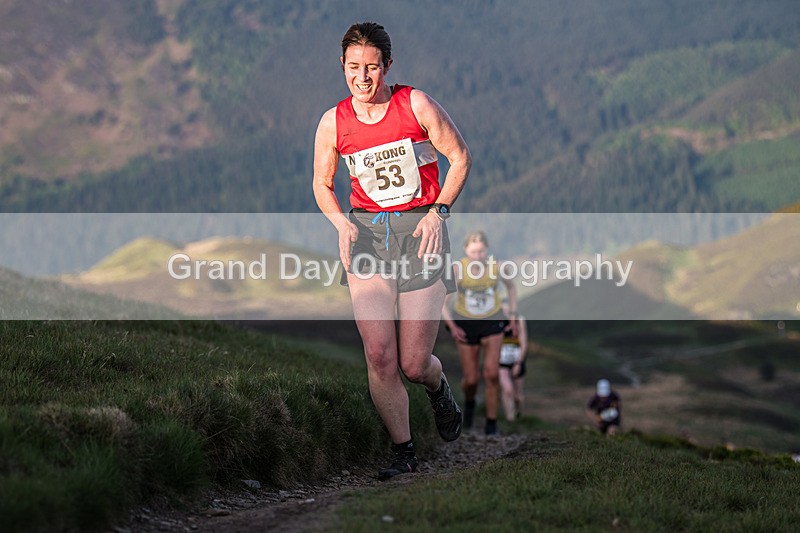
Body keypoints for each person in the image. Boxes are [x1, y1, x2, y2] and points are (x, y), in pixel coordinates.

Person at [312, 22, 472, 480]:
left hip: (421, 231)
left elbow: (459, 158)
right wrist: (341, 223)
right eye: (353, 67)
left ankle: (438, 387)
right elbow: (322, 185)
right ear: (341, 66)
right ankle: (403, 452)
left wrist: (438, 213)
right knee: (380, 355)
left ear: (387, 66)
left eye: (372, 67)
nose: (363, 77)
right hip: (366, 236)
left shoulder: (414, 103)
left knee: (413, 363)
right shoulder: (333, 122)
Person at [442, 231, 518, 435]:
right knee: (471, 379)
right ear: (466, 250)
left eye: (481, 251)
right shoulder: (459, 269)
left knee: (492, 374)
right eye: (473, 251)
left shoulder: (497, 267)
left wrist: (511, 314)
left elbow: (511, 288)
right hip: (465, 324)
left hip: (492, 321)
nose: (478, 255)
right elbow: (443, 302)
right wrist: (452, 325)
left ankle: (491, 423)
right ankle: (469, 403)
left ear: (487, 250)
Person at [499, 306, 527, 421]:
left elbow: (524, 342)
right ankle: (509, 418)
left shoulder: (519, 320)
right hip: (501, 362)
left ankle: (519, 414)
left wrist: (519, 362)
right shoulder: (497, 322)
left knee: (517, 396)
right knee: (507, 390)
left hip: (517, 360)